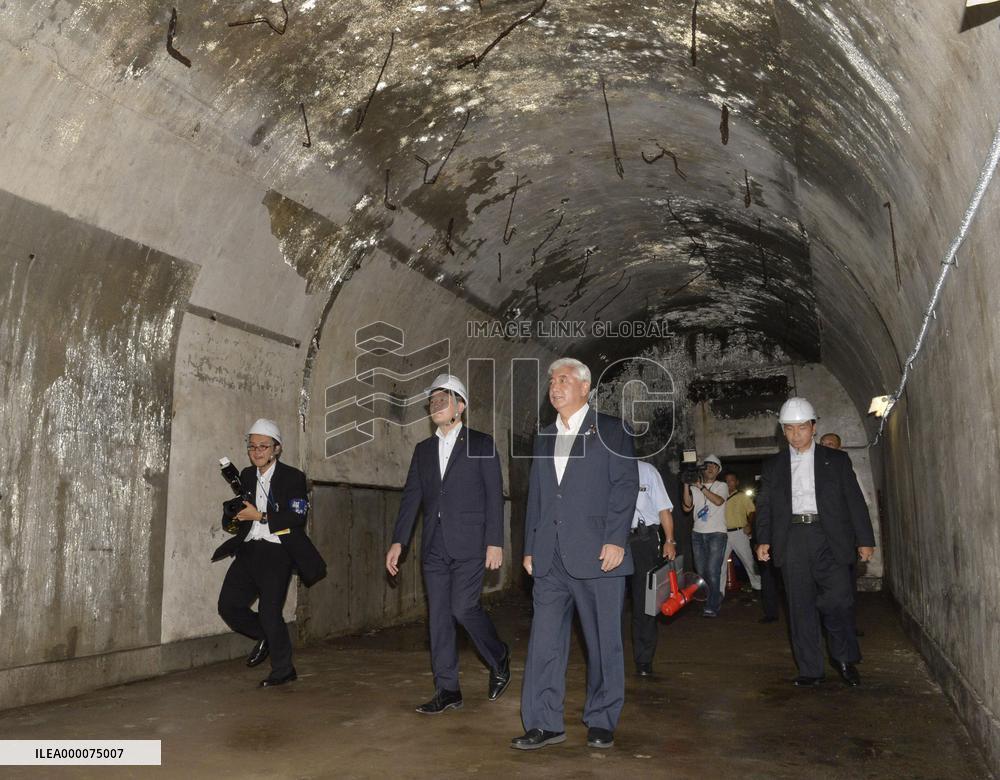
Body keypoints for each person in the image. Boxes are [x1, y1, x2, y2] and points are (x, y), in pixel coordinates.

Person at [512, 358, 638, 751]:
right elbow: (538, 495)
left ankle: (601, 719)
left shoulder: (612, 431)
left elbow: (624, 485)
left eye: (564, 379)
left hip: (599, 555)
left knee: (603, 643)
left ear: (585, 388)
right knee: (544, 642)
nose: (555, 386)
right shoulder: (544, 436)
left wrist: (616, 539)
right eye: (552, 380)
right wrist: (530, 547)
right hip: (550, 557)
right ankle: (543, 722)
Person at [385, 374, 509, 714]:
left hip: (471, 542)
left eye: (444, 398)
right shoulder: (423, 451)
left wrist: (494, 542)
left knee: (462, 608)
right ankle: (447, 689)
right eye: (433, 400)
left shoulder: (481, 444)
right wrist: (399, 541)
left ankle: (498, 655)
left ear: (461, 406)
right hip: (434, 546)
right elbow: (412, 498)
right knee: (438, 617)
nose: (436, 405)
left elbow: (493, 496)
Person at [755, 398, 876, 687]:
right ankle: (811, 670)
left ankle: (844, 658)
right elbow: (766, 505)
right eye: (789, 428)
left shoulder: (835, 460)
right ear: (783, 431)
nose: (795, 434)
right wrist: (763, 540)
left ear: (813, 427)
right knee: (800, 607)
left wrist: (865, 539)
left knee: (838, 601)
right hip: (792, 538)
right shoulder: (774, 466)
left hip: (829, 536)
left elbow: (854, 501)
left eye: (801, 427)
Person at [213, 419, 327, 688]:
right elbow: (243, 515)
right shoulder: (246, 475)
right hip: (249, 548)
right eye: (252, 446)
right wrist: (235, 515)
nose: (257, 451)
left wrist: (261, 515)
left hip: (278, 551)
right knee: (228, 605)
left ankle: (283, 670)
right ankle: (265, 636)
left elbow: (296, 516)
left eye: (263, 446)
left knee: (269, 611)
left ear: (276, 448)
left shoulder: (293, 477)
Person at [628, 460, 676, 677]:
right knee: (607, 602)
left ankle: (644, 660)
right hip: (612, 540)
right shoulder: (602, 466)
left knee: (643, 602)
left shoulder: (646, 471)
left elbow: (663, 508)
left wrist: (670, 540)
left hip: (643, 541)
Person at [681, 455, 729, 617]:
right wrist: (687, 485)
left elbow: (717, 501)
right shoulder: (695, 487)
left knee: (713, 570)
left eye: (714, 466)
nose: (710, 468)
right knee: (701, 571)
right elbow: (687, 507)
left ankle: (712, 605)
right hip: (698, 533)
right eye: (708, 465)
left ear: (718, 470)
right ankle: (713, 597)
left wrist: (701, 487)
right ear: (703, 468)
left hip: (717, 533)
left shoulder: (722, 485)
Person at [721, 473, 761, 595]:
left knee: (748, 561)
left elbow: (752, 512)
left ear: (737, 482)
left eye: (731, 480)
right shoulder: (719, 497)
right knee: (720, 563)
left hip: (739, 533)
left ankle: (758, 587)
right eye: (727, 481)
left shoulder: (742, 496)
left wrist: (749, 524)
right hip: (723, 534)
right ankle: (719, 591)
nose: (729, 483)